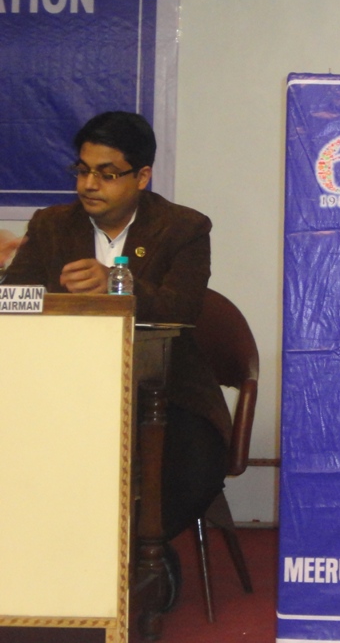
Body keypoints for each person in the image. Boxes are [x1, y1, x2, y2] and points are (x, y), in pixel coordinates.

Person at [2, 111, 230, 609]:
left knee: (187, 465)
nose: (89, 184)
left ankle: (142, 555)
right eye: (83, 170)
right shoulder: (50, 225)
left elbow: (183, 309)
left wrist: (117, 285)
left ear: (142, 176)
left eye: (107, 173)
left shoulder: (184, 228)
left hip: (168, 393)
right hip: (67, 391)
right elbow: (14, 302)